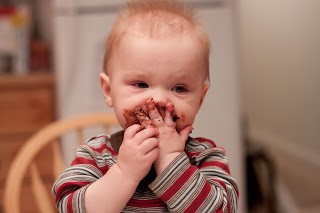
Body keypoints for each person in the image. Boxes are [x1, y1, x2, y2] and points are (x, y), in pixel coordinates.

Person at [52, 0, 239, 212]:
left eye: (179, 88)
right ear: (108, 90)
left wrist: (170, 162)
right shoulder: (95, 157)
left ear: (200, 100)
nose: (158, 100)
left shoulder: (206, 158)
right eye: (141, 84)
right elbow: (69, 208)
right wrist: (124, 173)